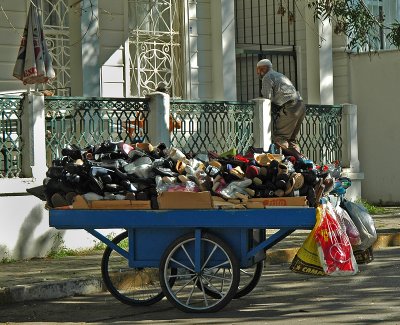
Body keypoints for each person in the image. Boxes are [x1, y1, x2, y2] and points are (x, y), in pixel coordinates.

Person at [256, 59, 306, 159]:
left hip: (290, 107)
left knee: (280, 138)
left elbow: (267, 98)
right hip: (300, 105)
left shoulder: (267, 77)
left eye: (258, 70)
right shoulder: (279, 75)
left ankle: (284, 164)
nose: (258, 73)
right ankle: (300, 163)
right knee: (291, 140)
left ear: (263, 69)